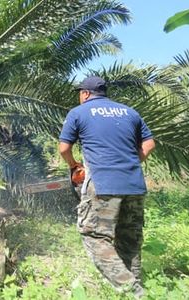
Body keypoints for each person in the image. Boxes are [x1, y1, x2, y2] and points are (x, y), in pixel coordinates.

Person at [58, 76, 155, 298]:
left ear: (85, 93)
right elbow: (149, 144)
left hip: (103, 184)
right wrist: (129, 162)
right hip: (134, 184)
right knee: (129, 237)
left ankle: (133, 290)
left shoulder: (78, 112)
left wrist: (74, 166)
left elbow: (64, 148)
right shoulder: (130, 112)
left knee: (94, 236)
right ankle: (134, 287)